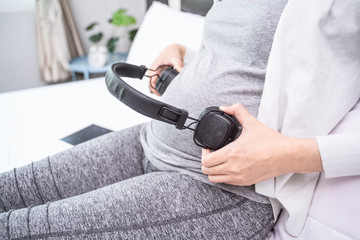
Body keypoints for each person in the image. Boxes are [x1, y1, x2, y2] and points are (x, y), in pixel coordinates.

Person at [1, 0, 359, 239]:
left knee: (16, 229)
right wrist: (186, 51)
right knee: (7, 191)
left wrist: (285, 155)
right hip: (150, 138)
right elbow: (248, 56)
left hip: (219, 187)